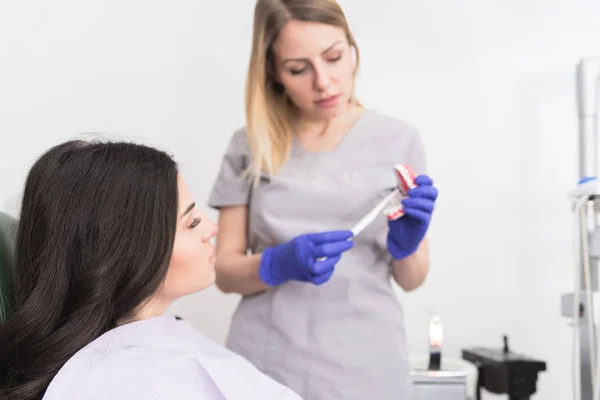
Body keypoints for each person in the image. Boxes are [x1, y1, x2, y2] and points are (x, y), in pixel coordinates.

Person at [207, 0, 440, 399]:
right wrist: (276, 264)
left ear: (351, 48)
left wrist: (408, 246)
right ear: (273, 73)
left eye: (333, 57)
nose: (324, 82)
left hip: (367, 363)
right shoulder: (249, 145)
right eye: (299, 68)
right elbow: (224, 272)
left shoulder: (399, 140)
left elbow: (412, 279)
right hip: (266, 360)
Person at [0, 139, 303, 400]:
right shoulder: (132, 381)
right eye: (192, 222)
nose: (211, 228)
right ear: (134, 249)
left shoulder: (150, 354)